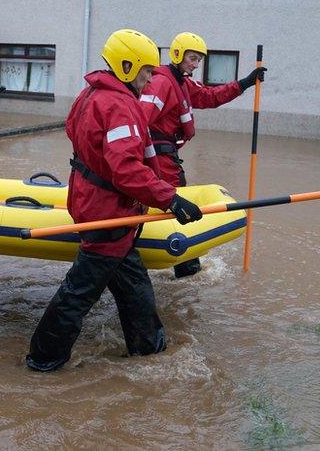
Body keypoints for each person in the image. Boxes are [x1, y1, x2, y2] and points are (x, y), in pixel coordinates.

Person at [26, 29, 205, 372]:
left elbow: (76, 135)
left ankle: (150, 352)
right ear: (126, 67)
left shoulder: (91, 93)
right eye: (147, 72)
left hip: (97, 203)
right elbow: (126, 169)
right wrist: (171, 199)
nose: (152, 79)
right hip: (107, 211)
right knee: (79, 293)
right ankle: (43, 359)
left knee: (134, 289)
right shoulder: (119, 105)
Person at [140, 32, 266, 278]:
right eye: (192, 59)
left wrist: (244, 83)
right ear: (178, 55)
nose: (196, 65)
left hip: (168, 157)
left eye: (199, 60)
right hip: (160, 159)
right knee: (176, 208)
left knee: (176, 206)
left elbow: (210, 97)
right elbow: (141, 120)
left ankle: (186, 268)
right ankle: (188, 271)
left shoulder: (182, 83)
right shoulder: (162, 82)